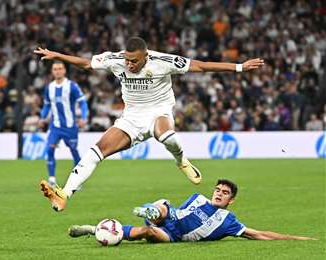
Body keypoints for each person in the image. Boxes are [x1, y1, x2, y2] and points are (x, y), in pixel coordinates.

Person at [34, 37, 264, 211]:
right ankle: (64, 194)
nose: (129, 65)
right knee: (96, 151)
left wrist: (239, 67)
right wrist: (58, 56)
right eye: (127, 60)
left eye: (134, 61)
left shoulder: (163, 61)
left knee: (166, 136)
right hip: (131, 118)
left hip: (158, 111)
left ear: (146, 56)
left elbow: (201, 66)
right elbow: (86, 63)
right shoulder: (116, 60)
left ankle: (181, 160)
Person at [69, 179, 314, 242]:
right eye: (218, 189)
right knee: (164, 207)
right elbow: (179, 212)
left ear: (231, 201)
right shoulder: (197, 198)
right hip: (172, 216)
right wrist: (163, 213)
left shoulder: (228, 221)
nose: (219, 193)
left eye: (225, 193)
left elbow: (259, 234)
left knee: (149, 233)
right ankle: (150, 210)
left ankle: (94, 229)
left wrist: (294, 238)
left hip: (174, 236)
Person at [38, 61, 88, 187]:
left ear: (64, 71)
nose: (58, 71)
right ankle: (52, 180)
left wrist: (84, 117)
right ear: (52, 71)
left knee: (74, 151)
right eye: (55, 69)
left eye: (60, 68)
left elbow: (82, 102)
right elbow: (47, 105)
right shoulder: (49, 88)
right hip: (55, 126)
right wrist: (42, 117)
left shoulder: (72, 86)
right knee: (49, 149)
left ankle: (78, 180)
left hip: (70, 126)